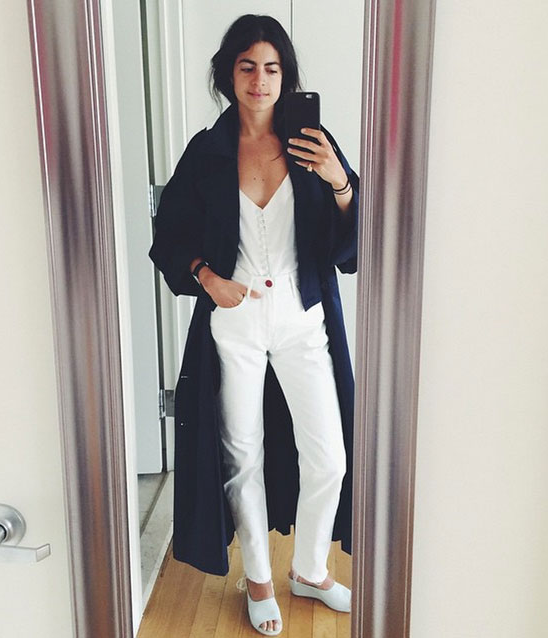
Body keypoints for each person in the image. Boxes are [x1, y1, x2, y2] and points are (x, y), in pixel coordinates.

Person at [149, 14, 358, 636]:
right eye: (247, 67)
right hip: (234, 322)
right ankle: (261, 579)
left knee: (330, 457)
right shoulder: (207, 152)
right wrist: (206, 278)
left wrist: (339, 182)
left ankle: (311, 570)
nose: (260, 80)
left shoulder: (313, 143)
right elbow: (168, 237)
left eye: (271, 67)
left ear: (286, 75)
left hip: (302, 316)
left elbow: (351, 246)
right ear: (229, 74)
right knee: (243, 453)